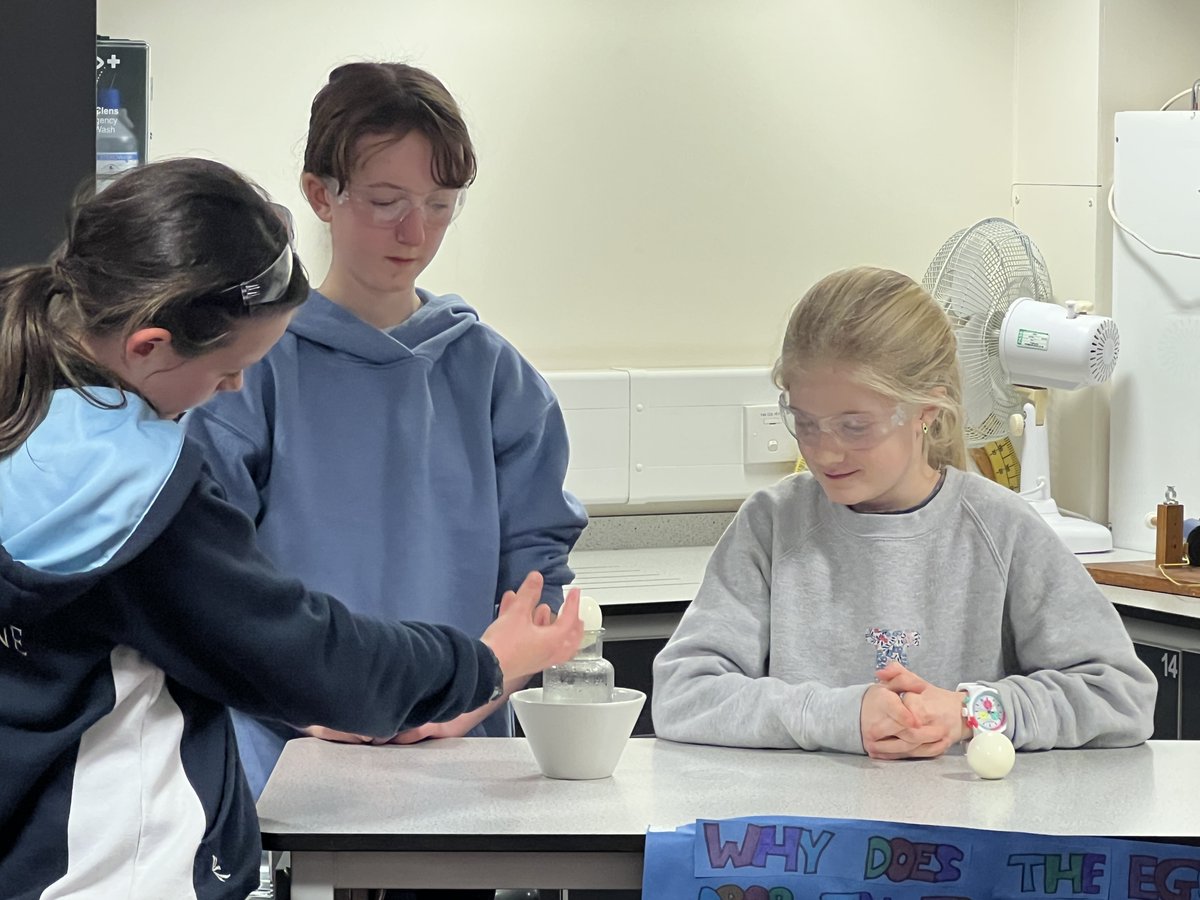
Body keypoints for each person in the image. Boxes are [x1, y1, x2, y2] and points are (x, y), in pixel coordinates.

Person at [0, 157, 584, 900]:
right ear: (148, 346)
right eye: (226, 372)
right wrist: (482, 663)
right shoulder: (133, 495)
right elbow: (310, 655)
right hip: (108, 869)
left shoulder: (27, 412)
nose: (236, 388)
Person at [186, 61, 587, 797]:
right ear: (320, 195)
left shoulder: (493, 376)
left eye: (441, 204)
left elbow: (539, 585)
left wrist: (478, 693)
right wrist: (308, 707)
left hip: (462, 752)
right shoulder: (252, 371)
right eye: (385, 201)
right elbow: (212, 581)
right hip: (286, 754)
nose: (415, 231)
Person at [651, 266, 1155, 759]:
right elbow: (682, 694)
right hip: (805, 834)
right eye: (804, 422)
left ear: (926, 411)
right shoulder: (773, 523)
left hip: (963, 829)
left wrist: (969, 712)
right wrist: (841, 716)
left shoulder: (1000, 527)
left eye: (854, 426)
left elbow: (1120, 694)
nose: (824, 452)